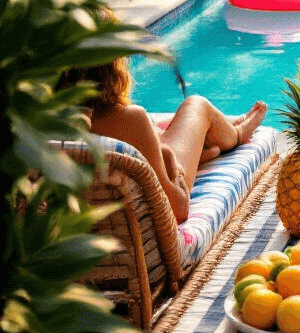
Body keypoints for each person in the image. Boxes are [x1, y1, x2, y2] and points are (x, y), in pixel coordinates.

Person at [64, 58, 266, 223]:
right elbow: (176, 210)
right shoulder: (131, 119)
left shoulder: (39, 127)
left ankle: (204, 151)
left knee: (164, 137)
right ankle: (238, 133)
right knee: (197, 106)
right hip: (150, 210)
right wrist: (172, 164)